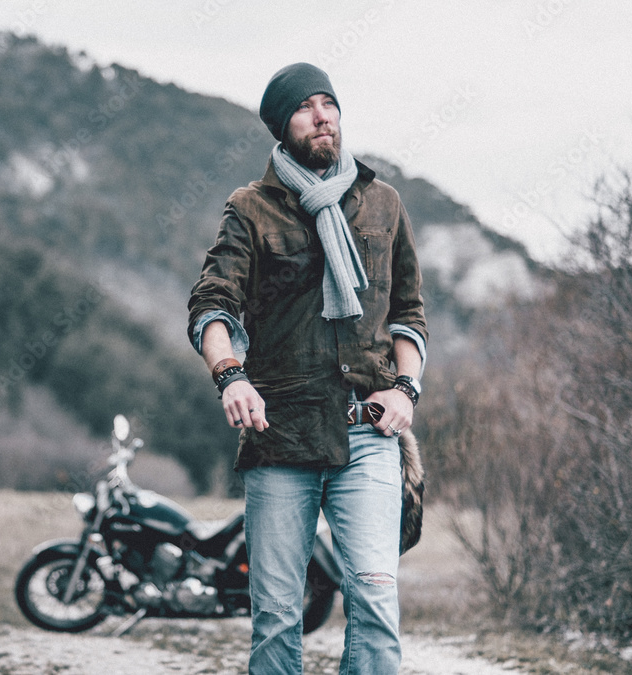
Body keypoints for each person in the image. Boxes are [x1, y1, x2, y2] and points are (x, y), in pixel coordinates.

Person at [187, 63, 427, 674]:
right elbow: (213, 304)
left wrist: (406, 389)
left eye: (330, 103)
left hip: (369, 434)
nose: (323, 116)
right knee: (275, 614)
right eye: (305, 107)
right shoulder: (251, 208)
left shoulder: (383, 203)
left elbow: (408, 314)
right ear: (282, 124)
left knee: (374, 597)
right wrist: (229, 374)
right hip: (281, 436)